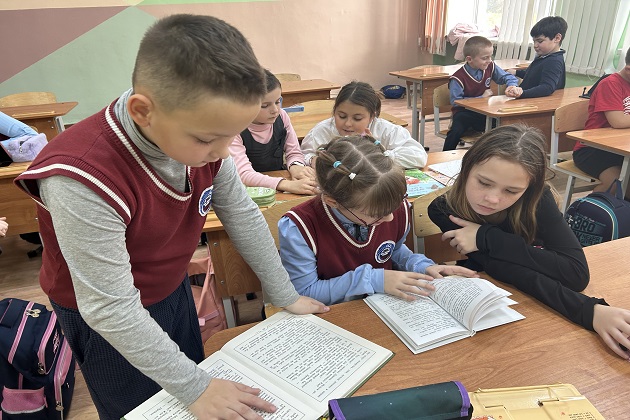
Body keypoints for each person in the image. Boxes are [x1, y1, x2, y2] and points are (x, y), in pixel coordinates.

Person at [14, 14, 328, 420]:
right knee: (143, 409)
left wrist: (285, 294)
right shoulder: (80, 176)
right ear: (143, 111)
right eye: (207, 139)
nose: (222, 153)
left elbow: (242, 215)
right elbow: (110, 308)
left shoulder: (198, 132)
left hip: (170, 288)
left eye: (231, 136)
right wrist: (196, 387)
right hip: (107, 320)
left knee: (187, 396)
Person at [428, 124, 630, 359]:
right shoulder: (443, 210)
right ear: (466, 169)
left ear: (529, 188)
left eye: (511, 191)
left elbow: (576, 275)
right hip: (488, 296)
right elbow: (500, 268)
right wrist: (587, 310)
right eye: (483, 182)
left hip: (525, 300)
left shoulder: (538, 199)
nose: (492, 199)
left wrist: (485, 237)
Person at [278, 134, 477, 306]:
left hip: (386, 306)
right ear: (333, 202)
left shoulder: (393, 207)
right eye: (376, 214)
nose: (390, 217)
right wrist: (373, 279)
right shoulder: (299, 227)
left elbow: (393, 251)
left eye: (393, 207)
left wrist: (422, 267)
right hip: (336, 315)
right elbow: (304, 292)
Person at [301, 81, 428, 169]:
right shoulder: (323, 130)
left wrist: (378, 155)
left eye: (357, 118)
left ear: (372, 117)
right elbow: (303, 156)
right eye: (341, 116)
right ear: (334, 111)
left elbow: (418, 156)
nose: (348, 124)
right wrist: (312, 160)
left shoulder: (385, 130)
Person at [229, 70, 318, 195]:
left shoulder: (282, 116)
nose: (275, 110)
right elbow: (243, 174)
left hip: (276, 185)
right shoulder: (234, 128)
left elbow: (294, 152)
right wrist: (286, 184)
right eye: (265, 105)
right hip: (248, 192)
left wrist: (296, 166)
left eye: (277, 101)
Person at [443, 36, 521, 151]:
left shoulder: (490, 66)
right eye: (485, 58)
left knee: (503, 124)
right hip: (464, 113)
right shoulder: (458, 78)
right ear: (469, 59)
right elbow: (456, 102)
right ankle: (445, 155)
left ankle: (497, 154)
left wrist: (512, 85)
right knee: (456, 130)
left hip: (484, 111)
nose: (489, 60)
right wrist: (480, 97)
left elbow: (507, 76)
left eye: (490, 56)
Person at [573, 47, 630, 197]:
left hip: (621, 148)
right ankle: (589, 210)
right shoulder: (610, 84)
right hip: (592, 149)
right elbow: (618, 121)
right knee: (617, 184)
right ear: (629, 70)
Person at [507, 16, 568, 99]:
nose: (535, 45)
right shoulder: (544, 57)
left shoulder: (554, 61)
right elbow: (533, 76)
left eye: (540, 41)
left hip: (533, 103)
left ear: (557, 38)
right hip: (528, 99)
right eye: (534, 41)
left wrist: (523, 93)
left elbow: (547, 87)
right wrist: (516, 72)